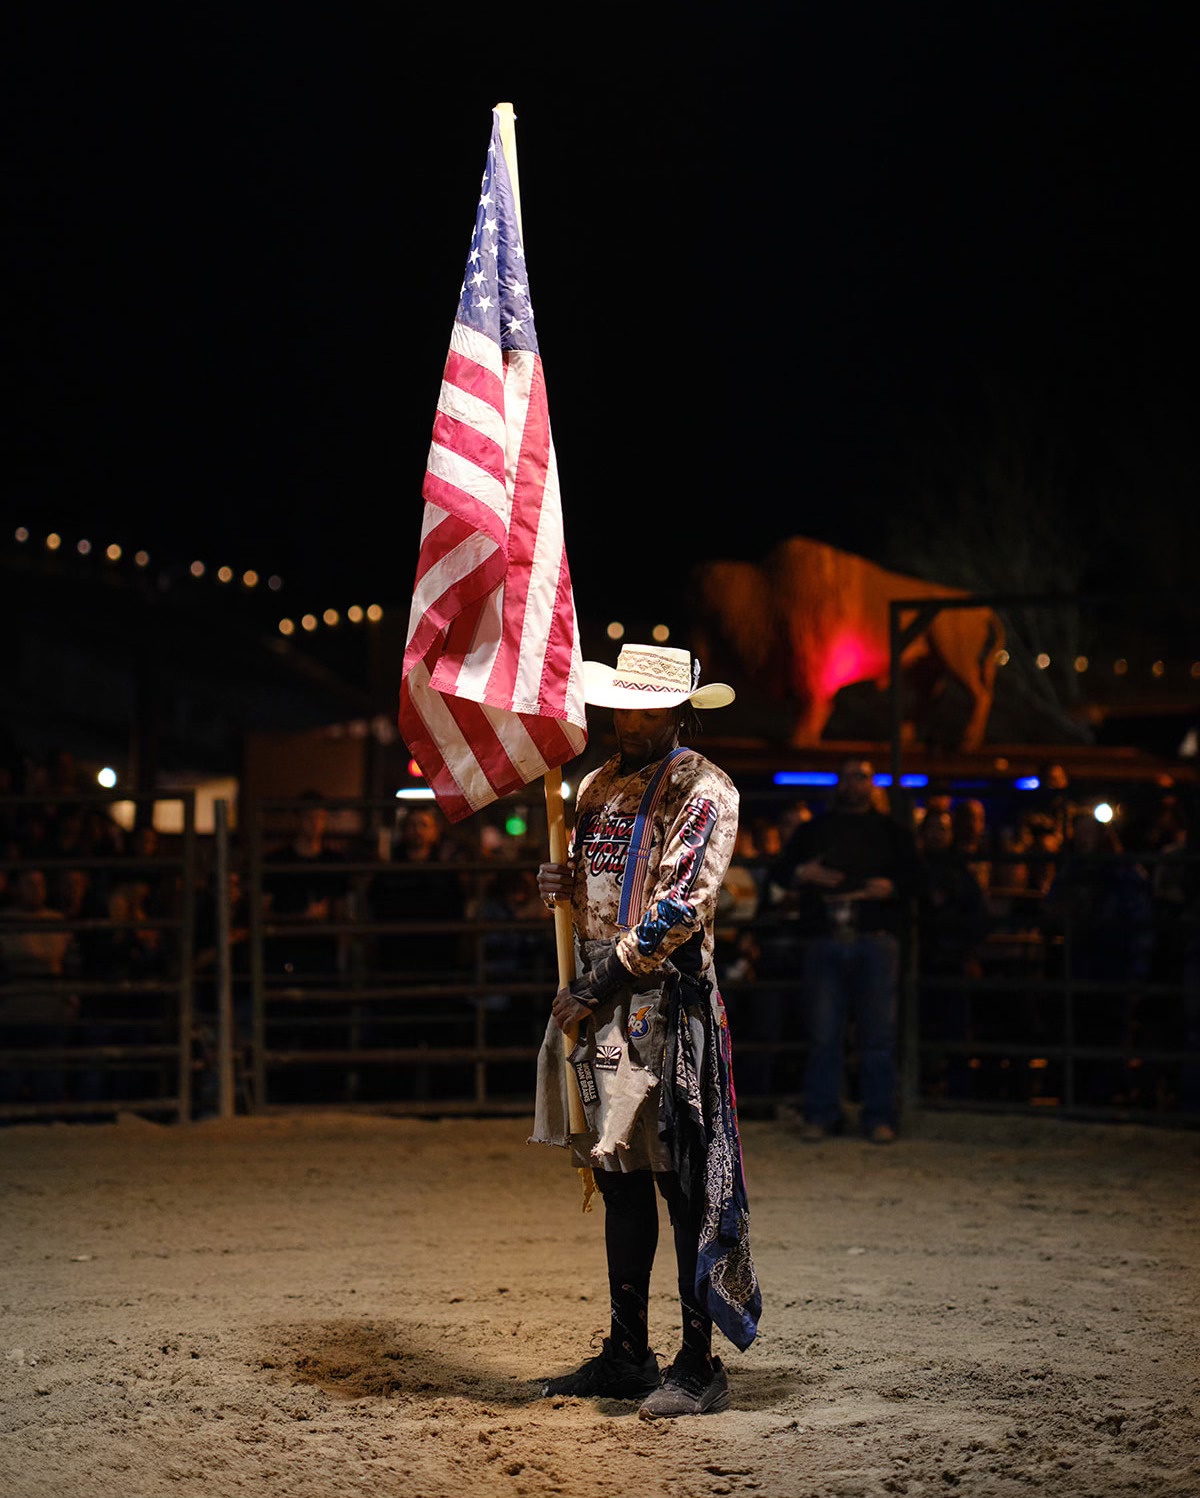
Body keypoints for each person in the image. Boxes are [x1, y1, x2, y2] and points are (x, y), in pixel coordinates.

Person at [531, 644, 760, 1419]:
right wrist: (558, 883)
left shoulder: (704, 788)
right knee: (621, 1177)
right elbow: (590, 886)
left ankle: (699, 1361)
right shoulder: (596, 786)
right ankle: (629, 1351)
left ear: (678, 713)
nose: (632, 721)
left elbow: (679, 907)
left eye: (648, 709)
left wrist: (594, 983)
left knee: (679, 1179)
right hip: (605, 999)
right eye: (624, 707)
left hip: (663, 999)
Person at [768, 758, 919, 1143]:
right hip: (826, 938)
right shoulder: (814, 831)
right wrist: (804, 873)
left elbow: (915, 877)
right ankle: (823, 1114)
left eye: (862, 777)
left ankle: (877, 1116)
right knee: (824, 1034)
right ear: (839, 783)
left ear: (872, 784)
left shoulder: (892, 833)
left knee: (877, 1036)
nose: (855, 784)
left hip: (875, 938)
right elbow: (781, 871)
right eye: (849, 776)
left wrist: (891, 887)